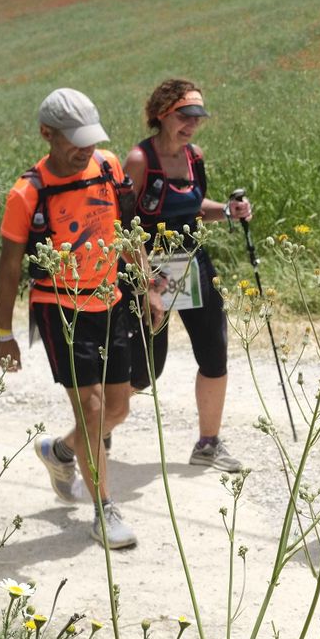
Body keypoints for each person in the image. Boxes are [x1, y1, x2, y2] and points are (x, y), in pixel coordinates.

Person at [0, 87, 139, 548]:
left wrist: (147, 282)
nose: (85, 149)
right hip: (60, 307)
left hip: (111, 298)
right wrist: (3, 333)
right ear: (47, 134)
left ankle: (59, 451)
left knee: (117, 409)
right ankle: (104, 511)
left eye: (91, 139)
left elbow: (125, 229)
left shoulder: (109, 167)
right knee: (92, 411)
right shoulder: (26, 194)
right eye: (76, 141)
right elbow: (8, 267)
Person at [119, 79, 252, 472]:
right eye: (184, 116)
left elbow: (195, 208)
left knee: (215, 352)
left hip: (192, 262)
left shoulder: (195, 156)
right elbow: (123, 226)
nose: (192, 124)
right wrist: (146, 283)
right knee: (146, 370)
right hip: (146, 268)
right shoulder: (140, 160)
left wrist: (227, 211)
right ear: (162, 114)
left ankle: (208, 445)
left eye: (198, 117)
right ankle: (101, 418)